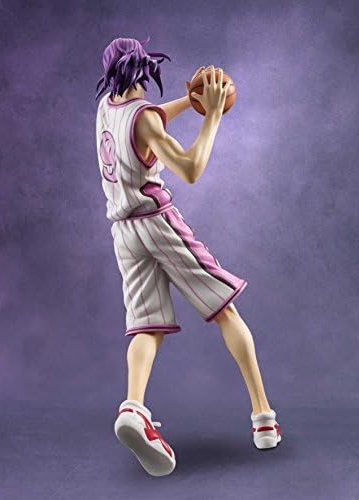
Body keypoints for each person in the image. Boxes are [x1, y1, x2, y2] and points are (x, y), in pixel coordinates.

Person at [95, 37, 281, 477]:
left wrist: (188, 102)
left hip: (124, 232)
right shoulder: (145, 121)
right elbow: (191, 168)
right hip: (157, 224)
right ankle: (263, 417)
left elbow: (144, 121)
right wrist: (212, 115)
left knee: (147, 326)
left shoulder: (106, 106)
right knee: (225, 309)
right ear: (143, 69)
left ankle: (132, 408)